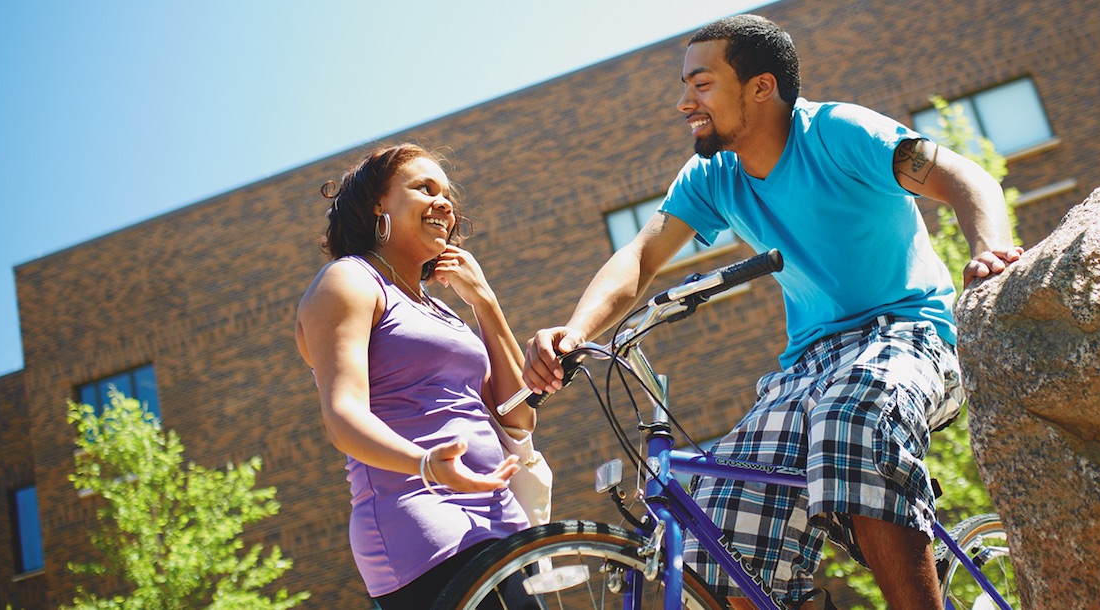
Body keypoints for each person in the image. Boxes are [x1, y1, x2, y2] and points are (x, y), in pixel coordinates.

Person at [523, 14, 1022, 610]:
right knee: (715, 521)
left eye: (701, 84)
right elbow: (639, 256)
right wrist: (576, 332)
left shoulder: (840, 131)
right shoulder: (711, 175)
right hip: (808, 363)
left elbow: (964, 177)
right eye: (685, 86)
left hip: (910, 333)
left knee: (851, 419)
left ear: (761, 87)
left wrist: (990, 250)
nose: (685, 102)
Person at [295, 143, 538, 609]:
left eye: (447, 193)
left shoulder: (441, 310)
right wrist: (427, 465)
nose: (444, 203)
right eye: (424, 188)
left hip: (502, 519)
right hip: (424, 524)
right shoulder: (349, 281)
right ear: (377, 206)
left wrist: (485, 303)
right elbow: (342, 415)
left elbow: (517, 419)